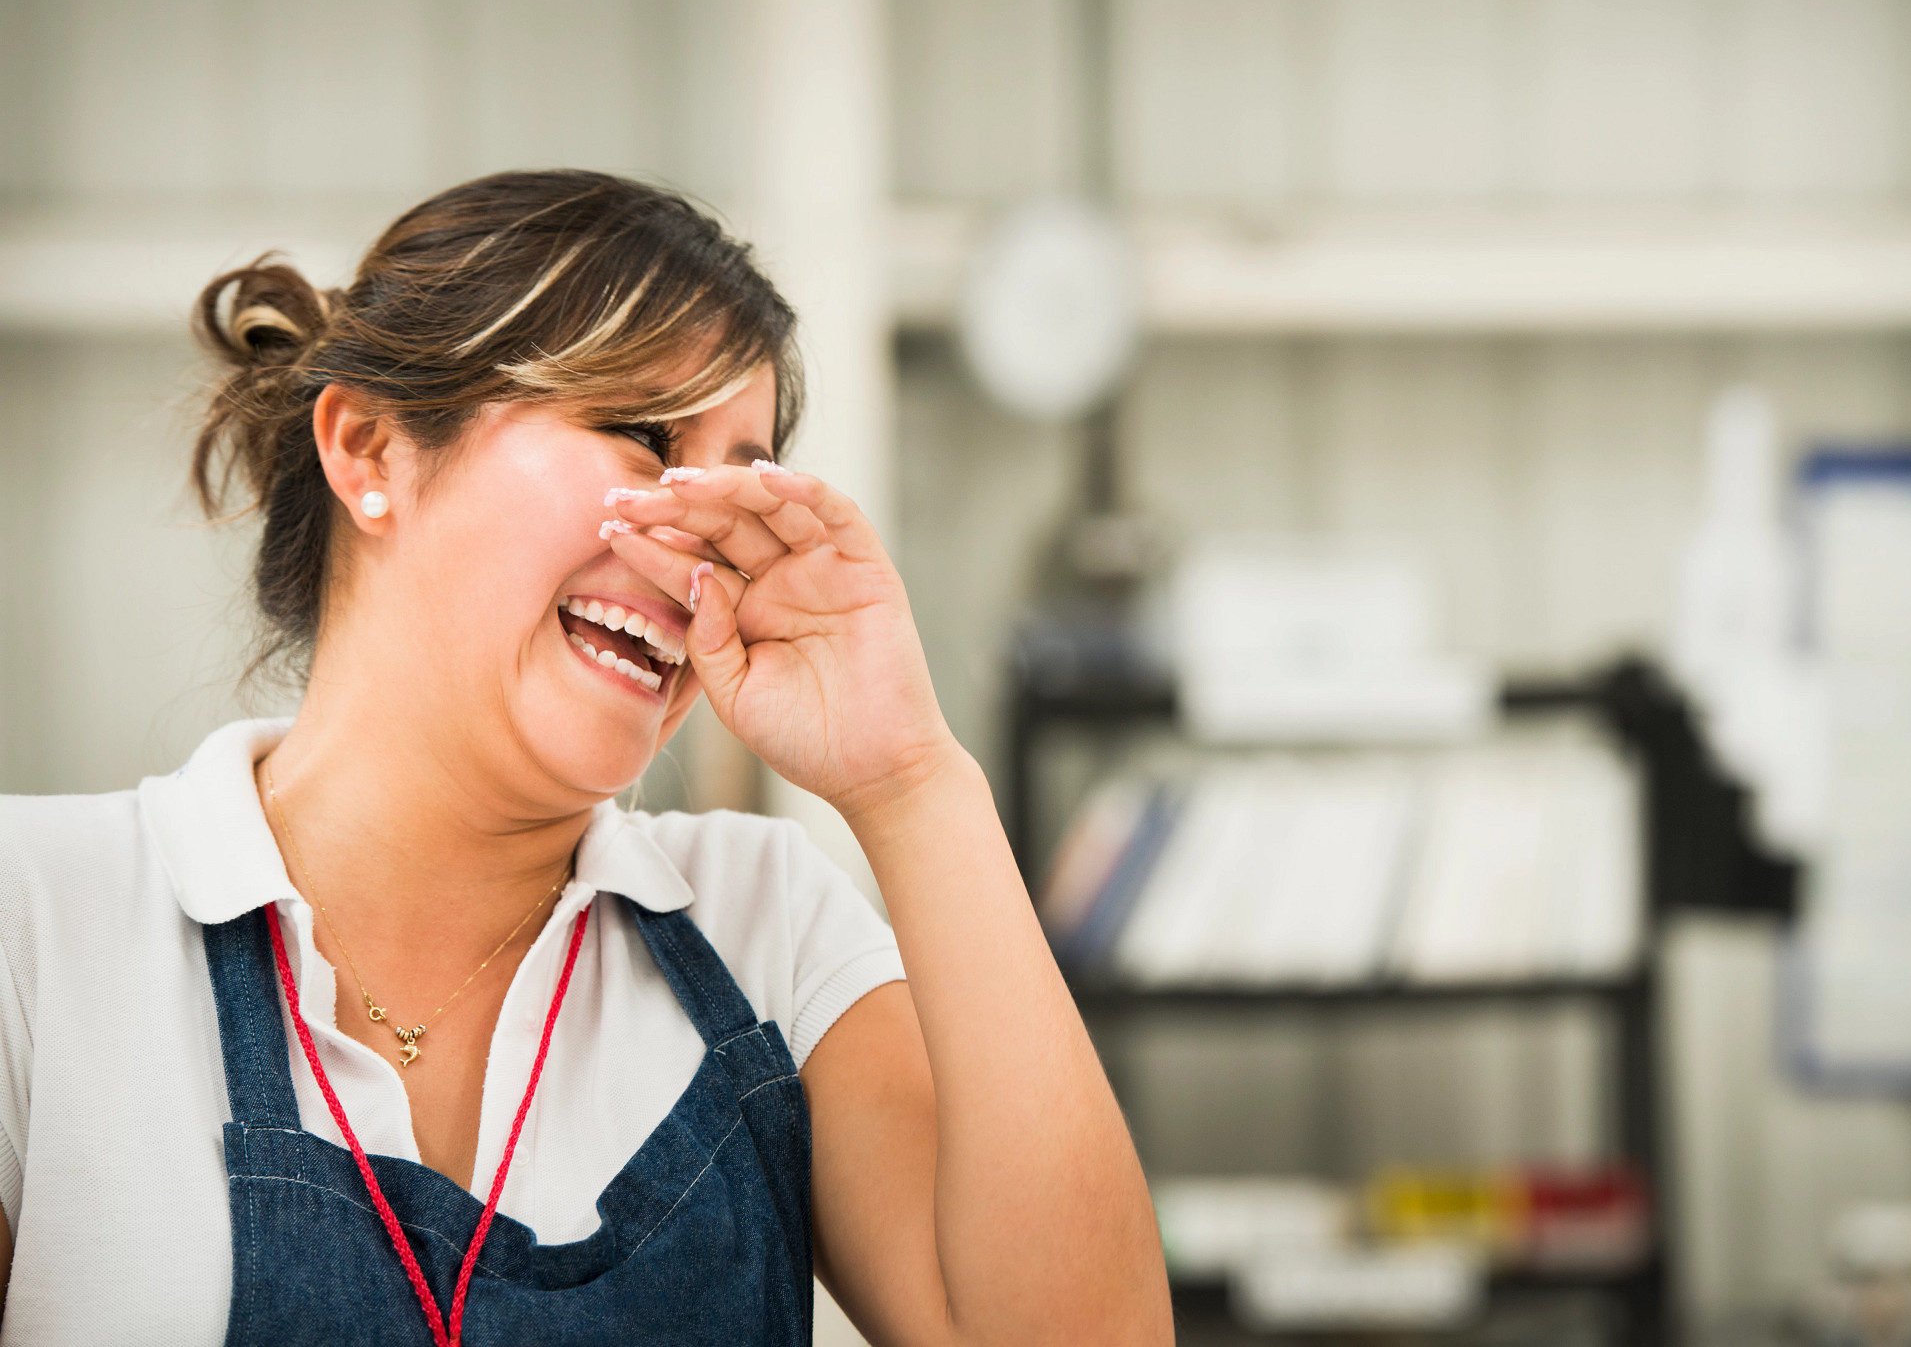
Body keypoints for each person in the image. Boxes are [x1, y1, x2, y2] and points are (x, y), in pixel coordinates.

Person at [0, 170, 1169, 1345]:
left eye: (742, 484)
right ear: (369, 449)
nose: (695, 545)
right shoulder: (35, 925)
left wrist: (912, 781)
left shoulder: (767, 931)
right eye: (640, 437)